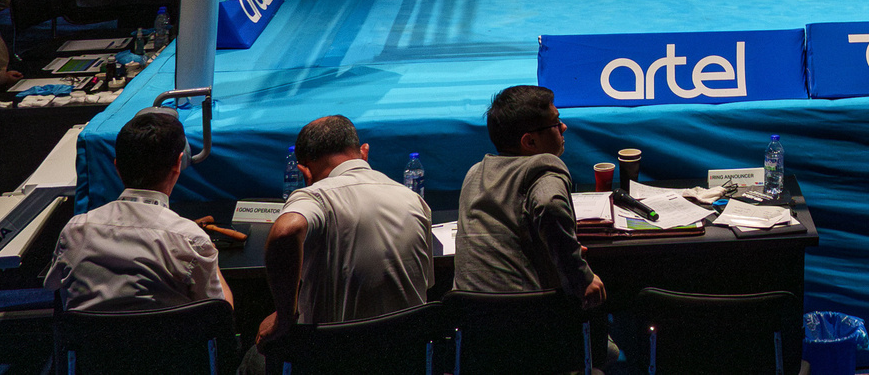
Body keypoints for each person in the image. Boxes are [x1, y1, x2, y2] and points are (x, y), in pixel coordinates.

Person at [251, 115, 432, 367]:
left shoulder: (315, 196)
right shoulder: (415, 201)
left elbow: (285, 232)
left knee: (253, 358)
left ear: (304, 171)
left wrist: (284, 316)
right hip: (405, 360)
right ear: (364, 152)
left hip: (333, 360)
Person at [45, 109, 234, 312]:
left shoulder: (74, 230)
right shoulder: (192, 240)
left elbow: (53, 285)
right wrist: (210, 257)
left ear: (117, 167)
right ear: (178, 164)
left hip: (87, 334)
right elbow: (221, 313)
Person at [455, 86, 605, 313]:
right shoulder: (543, 166)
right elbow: (550, 205)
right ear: (530, 142)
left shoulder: (474, 174)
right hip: (526, 317)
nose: (564, 127)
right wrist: (581, 276)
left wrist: (559, 247)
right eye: (555, 123)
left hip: (469, 318)